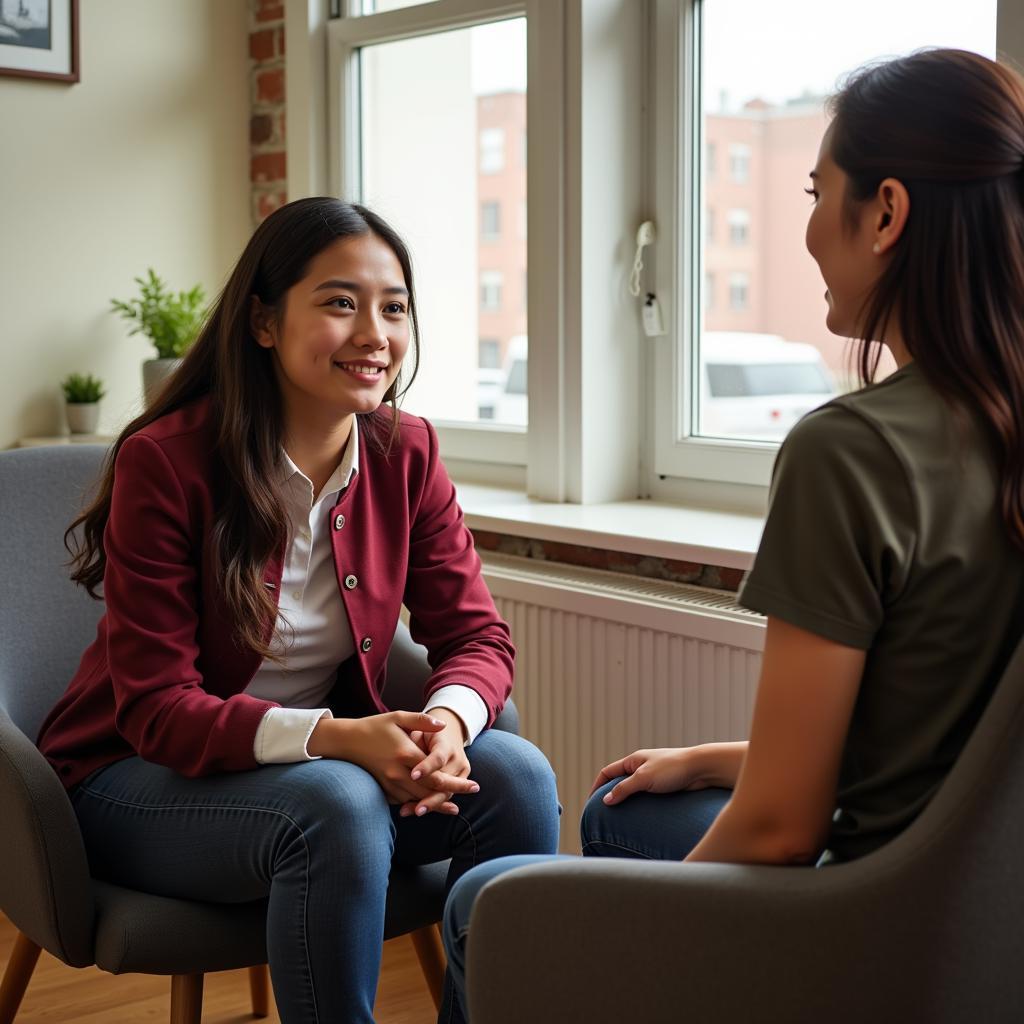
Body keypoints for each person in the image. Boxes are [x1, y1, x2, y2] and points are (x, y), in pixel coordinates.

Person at [442, 46, 1024, 1016]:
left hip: (866, 932)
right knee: (626, 808)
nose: (805, 227)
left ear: (885, 212)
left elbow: (780, 833)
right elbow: (954, 748)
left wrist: (654, 947)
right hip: (987, 929)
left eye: (814, 189)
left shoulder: (854, 451)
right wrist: (713, 760)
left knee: (485, 902)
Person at [36, 197, 560, 1024]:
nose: (374, 334)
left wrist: (448, 725)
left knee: (519, 777)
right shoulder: (168, 462)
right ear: (265, 322)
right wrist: (340, 738)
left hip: (318, 775)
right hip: (133, 782)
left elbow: (475, 636)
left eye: (394, 307)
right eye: (340, 302)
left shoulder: (406, 452)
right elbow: (156, 711)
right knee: (339, 803)